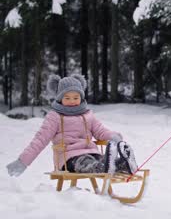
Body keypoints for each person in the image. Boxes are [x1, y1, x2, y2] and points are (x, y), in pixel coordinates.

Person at [6, 74, 138, 177]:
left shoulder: (87, 114)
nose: (72, 101)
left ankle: (121, 164)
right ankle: (102, 167)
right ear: (60, 98)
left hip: (91, 152)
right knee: (85, 162)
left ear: (81, 98)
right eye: (67, 98)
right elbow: (39, 140)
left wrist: (114, 136)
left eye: (75, 98)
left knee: (101, 159)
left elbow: (100, 130)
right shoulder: (55, 116)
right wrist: (22, 162)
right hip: (68, 158)